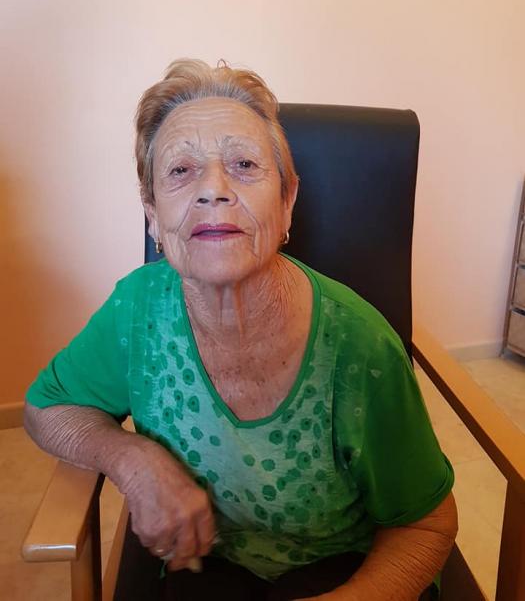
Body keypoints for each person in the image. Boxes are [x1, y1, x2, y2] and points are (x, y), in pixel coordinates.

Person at [25, 59, 457, 601]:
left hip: (343, 568)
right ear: (153, 215)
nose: (213, 189)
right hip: (206, 562)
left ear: (287, 202)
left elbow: (426, 526)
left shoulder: (359, 346)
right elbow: (48, 409)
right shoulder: (136, 309)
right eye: (181, 170)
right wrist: (133, 460)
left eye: (244, 164)